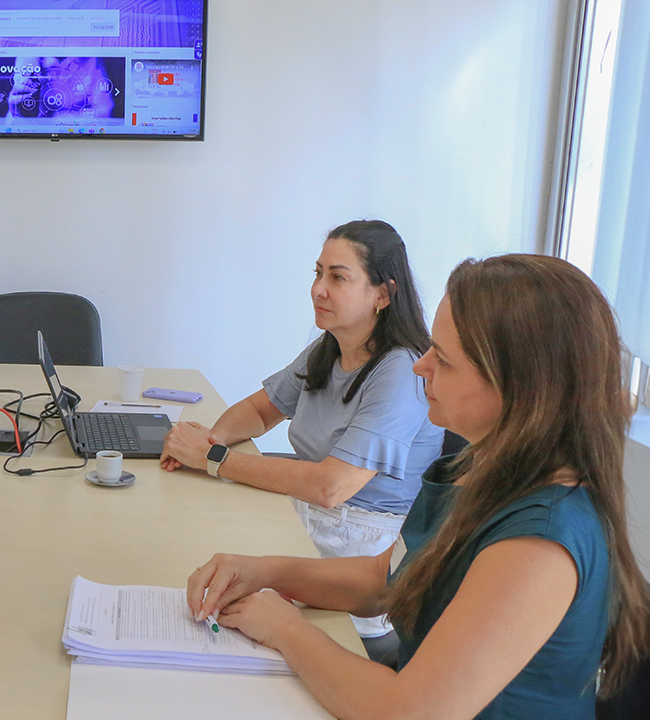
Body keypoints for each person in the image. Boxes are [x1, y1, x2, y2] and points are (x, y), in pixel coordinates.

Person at [189, 254, 650, 718]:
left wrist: (285, 628)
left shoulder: (541, 540)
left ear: (520, 388)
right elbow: (387, 579)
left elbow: (407, 712)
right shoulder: (474, 468)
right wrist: (264, 572)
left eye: (444, 360)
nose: (420, 367)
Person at [161, 220, 444, 644]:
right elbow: (260, 409)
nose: (319, 289)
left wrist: (213, 460)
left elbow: (332, 486)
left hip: (357, 552)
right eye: (318, 273)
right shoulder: (329, 347)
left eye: (338, 277)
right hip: (310, 521)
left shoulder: (400, 371)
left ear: (382, 295)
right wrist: (209, 441)